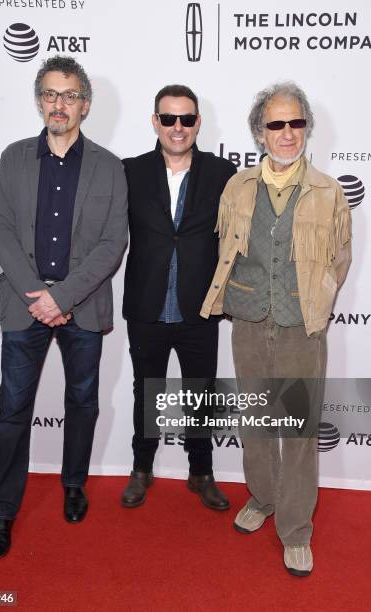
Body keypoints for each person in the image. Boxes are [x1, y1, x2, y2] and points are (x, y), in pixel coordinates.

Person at [201, 82, 352, 575]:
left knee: (300, 431)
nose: (287, 134)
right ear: (260, 134)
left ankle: (296, 529)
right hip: (247, 321)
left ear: (306, 128)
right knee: (257, 423)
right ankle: (263, 498)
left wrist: (315, 303)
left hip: (300, 328)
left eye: (295, 123)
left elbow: (339, 260)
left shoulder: (329, 192)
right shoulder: (237, 187)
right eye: (276, 124)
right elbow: (225, 246)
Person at [0, 55, 127, 559]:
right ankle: (1, 511)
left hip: (82, 308)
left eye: (69, 95)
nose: (58, 104)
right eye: (50, 94)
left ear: (85, 104)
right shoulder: (14, 157)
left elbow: (113, 243)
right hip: (26, 306)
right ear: (39, 101)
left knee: (82, 402)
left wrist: (62, 298)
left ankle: (73, 484)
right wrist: (39, 298)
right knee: (12, 411)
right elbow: (1, 231)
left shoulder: (110, 166)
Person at [121, 84, 237, 510]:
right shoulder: (129, 171)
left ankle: (201, 472)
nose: (177, 127)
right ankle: (141, 468)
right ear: (155, 121)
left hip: (199, 306)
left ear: (197, 123)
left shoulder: (222, 173)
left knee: (200, 392)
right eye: (168, 118)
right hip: (147, 304)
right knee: (145, 391)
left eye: (186, 119)